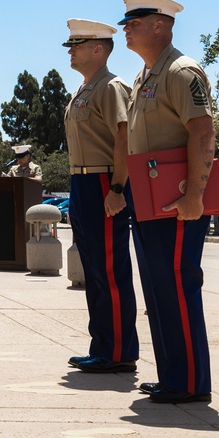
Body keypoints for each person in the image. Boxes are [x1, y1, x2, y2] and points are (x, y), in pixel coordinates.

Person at [120, 0, 214, 404]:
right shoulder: (145, 76)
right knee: (159, 288)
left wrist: (195, 194)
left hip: (176, 200)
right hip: (149, 198)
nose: (126, 28)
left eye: (134, 21)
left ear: (160, 24)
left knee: (177, 285)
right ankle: (173, 375)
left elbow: (202, 132)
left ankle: (190, 381)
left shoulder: (181, 71)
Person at [61, 19, 138, 373]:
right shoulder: (84, 88)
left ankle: (119, 351)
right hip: (81, 183)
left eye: (77, 45)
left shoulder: (110, 87)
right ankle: (102, 345)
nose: (70, 51)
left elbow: (123, 138)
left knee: (109, 268)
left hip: (103, 182)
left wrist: (118, 188)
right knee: (94, 269)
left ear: (98, 49)